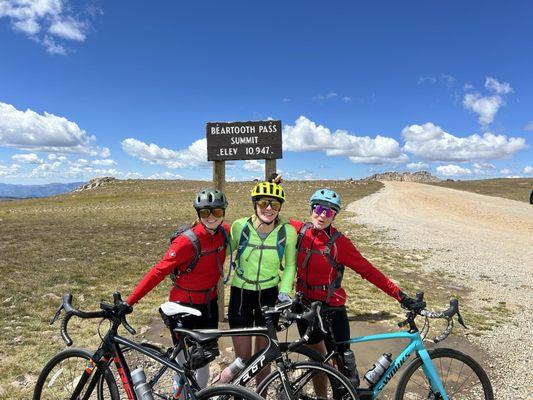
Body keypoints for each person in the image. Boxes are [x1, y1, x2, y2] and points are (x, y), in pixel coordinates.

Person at [290, 187, 418, 388]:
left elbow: (368, 270)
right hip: (305, 306)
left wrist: (400, 296)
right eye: (318, 208)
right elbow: (271, 215)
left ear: (335, 215)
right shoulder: (299, 230)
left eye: (329, 211)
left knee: (344, 365)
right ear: (311, 208)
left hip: (331, 308)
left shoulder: (339, 243)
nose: (322, 215)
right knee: (315, 360)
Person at [126, 188, 230, 388]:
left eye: (216, 212)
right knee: (182, 364)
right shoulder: (186, 242)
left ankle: (197, 394)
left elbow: (255, 224)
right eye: (204, 212)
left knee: (204, 359)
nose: (211, 217)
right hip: (183, 306)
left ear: (223, 212)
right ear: (198, 214)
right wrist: (130, 301)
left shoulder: (223, 231)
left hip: (209, 305)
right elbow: (158, 271)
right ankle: (179, 394)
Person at [227, 177, 297, 383]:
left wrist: (285, 291)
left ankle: (261, 395)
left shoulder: (287, 232)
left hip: (269, 294)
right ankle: (239, 395)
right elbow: (222, 250)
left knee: (264, 358)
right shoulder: (240, 227)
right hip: (241, 295)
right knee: (242, 358)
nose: (269, 208)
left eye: (274, 204)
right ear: (254, 204)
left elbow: (291, 265)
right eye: (263, 203)